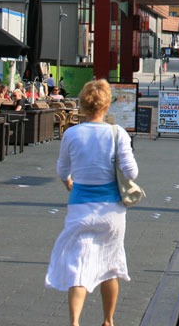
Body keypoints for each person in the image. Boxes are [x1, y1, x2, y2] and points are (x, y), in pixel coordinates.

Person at [45, 79, 138, 326]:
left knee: (78, 264)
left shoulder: (71, 133)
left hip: (80, 206)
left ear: (83, 105)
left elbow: (63, 169)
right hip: (112, 209)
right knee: (110, 265)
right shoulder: (117, 134)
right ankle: (108, 320)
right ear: (107, 105)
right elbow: (131, 172)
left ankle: (74, 321)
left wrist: (68, 182)